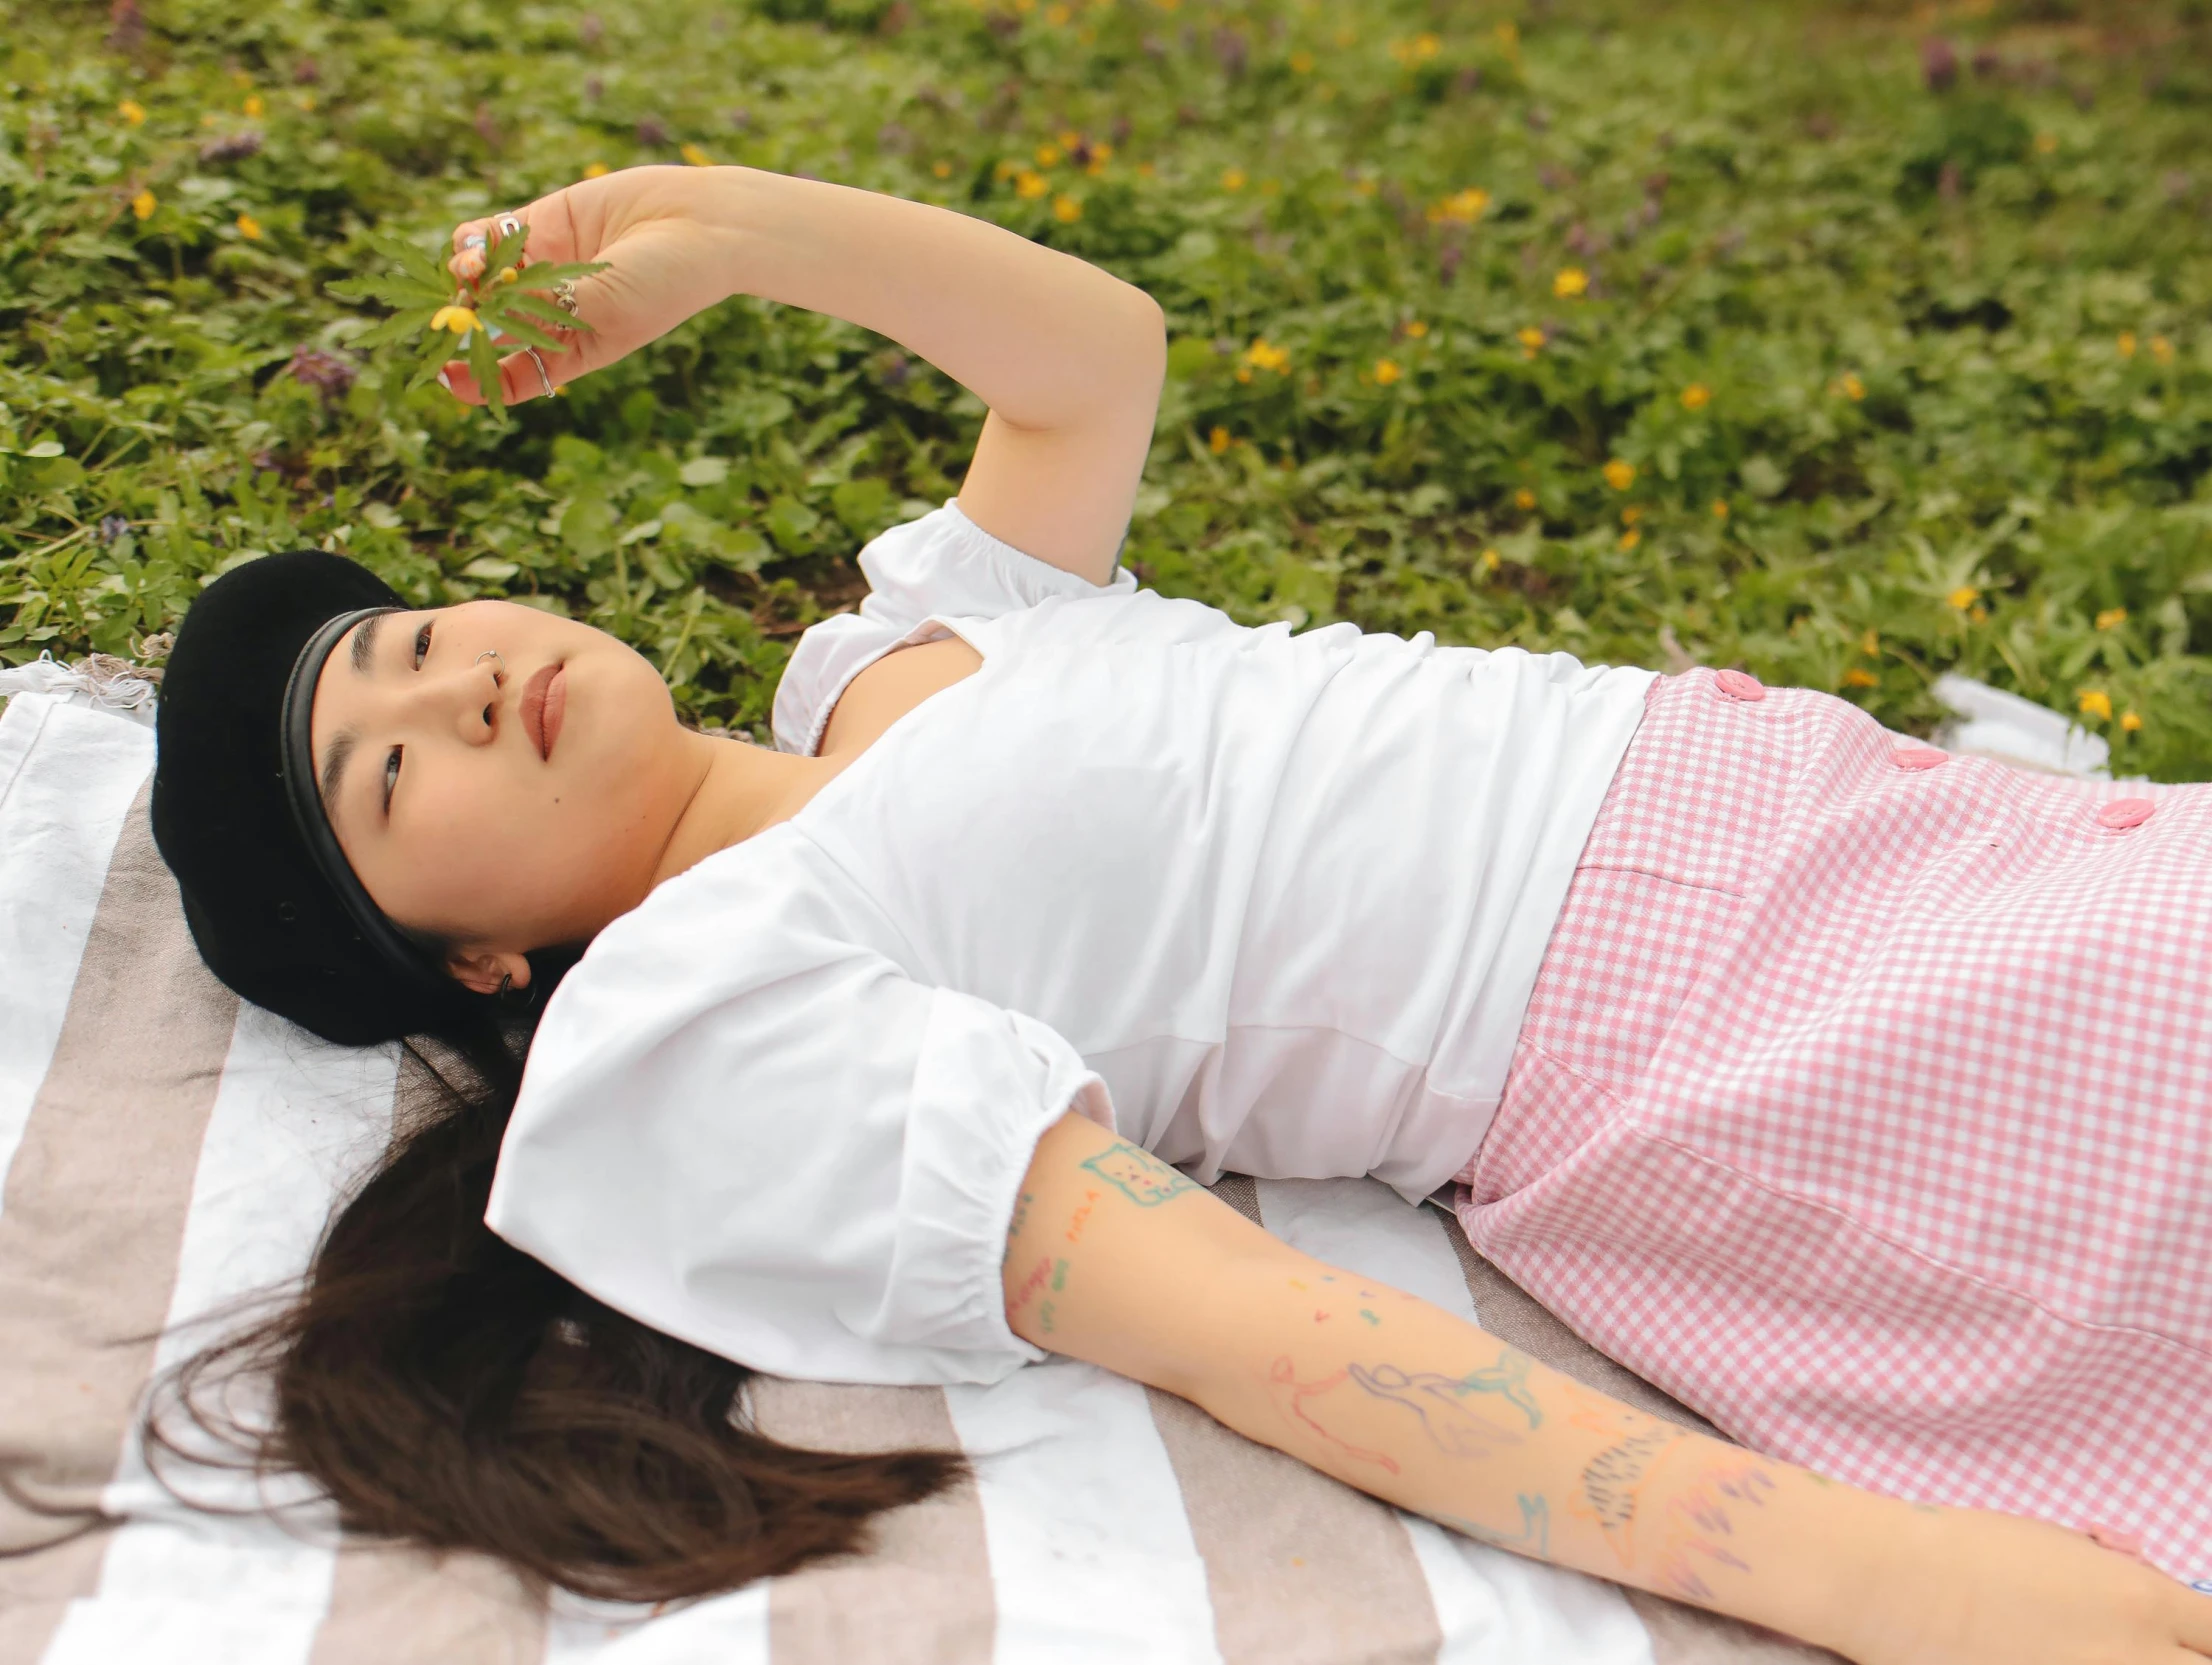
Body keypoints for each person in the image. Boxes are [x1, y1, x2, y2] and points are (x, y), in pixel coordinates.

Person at [143, 165, 2212, 1665]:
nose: (452, 685)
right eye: (390, 770)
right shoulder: (717, 994)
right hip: (1707, 1030)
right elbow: (1241, 1323)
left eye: (409, 638)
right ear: (474, 966)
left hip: (1853, 827)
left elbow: (1085, 349)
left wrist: (727, 238)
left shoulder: (899, 648)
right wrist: (1860, 1574)